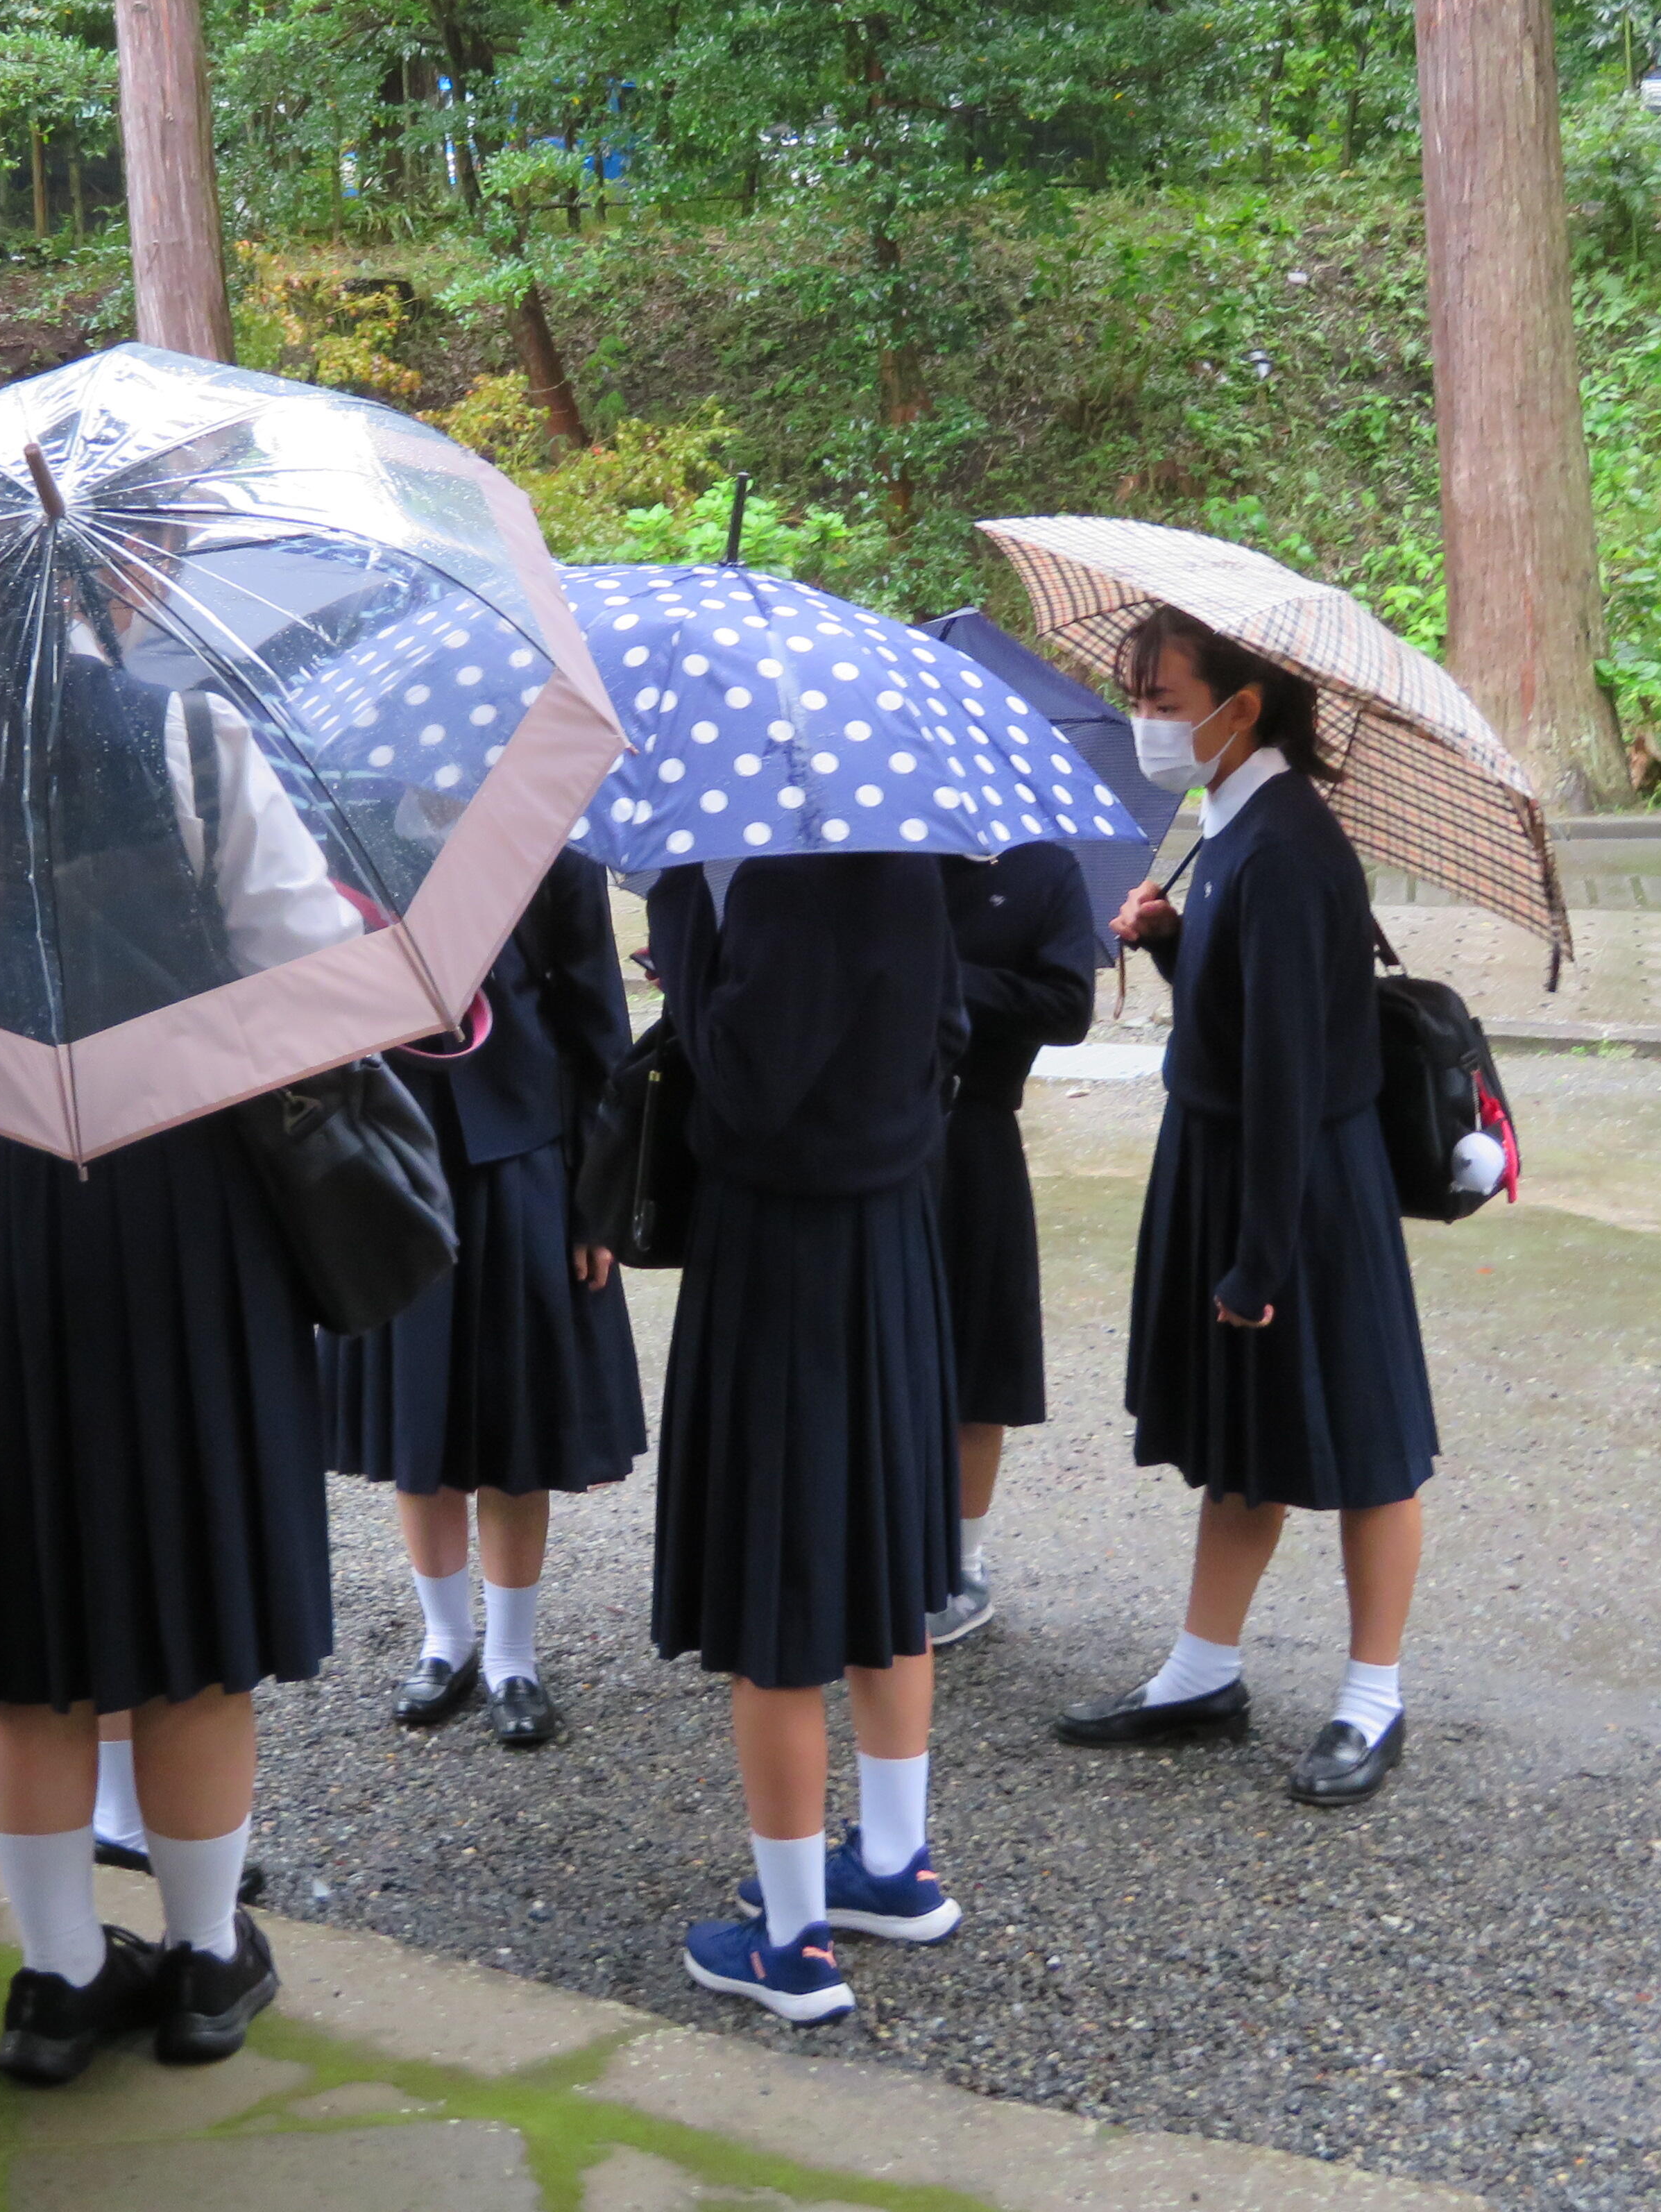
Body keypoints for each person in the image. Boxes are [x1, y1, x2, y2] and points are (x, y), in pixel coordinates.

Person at [0, 547, 357, 2088]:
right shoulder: (191, 737)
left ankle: (59, 1981)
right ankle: (205, 1966)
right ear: (128, 575)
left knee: (27, 1623)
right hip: (183, 1207)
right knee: (190, 1616)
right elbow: (304, 968)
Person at [1052, 605, 1433, 1809]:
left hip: (1297, 1187)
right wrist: (1170, 942)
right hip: (1232, 1165)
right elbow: (1243, 1008)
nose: (1146, 721)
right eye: (1139, 696)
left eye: (1161, 700)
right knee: (1242, 1442)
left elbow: (1282, 1071)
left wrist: (1256, 1262)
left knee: (1365, 1442)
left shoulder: (1285, 848)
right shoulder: (1229, 824)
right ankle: (1199, 1671)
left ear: (1240, 705)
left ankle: (1372, 1695)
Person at [648, 852, 968, 2025]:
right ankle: (893, 1862)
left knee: (774, 1597)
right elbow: (948, 1029)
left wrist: (682, 924)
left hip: (780, 1254)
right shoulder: (904, 861)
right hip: (890, 1234)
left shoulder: (774, 879)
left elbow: (743, 1084)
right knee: (885, 1564)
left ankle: (789, 1941)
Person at [320, 847, 643, 1746]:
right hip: (389, 1156)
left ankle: (512, 1656)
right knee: (420, 1418)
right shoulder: (352, 832)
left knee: (515, 1420)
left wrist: (596, 1205)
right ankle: (445, 1640)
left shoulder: (553, 852)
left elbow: (599, 1032)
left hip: (523, 1159)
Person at [926, 839, 1101, 1647]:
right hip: (869, 1129)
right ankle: (872, 1541)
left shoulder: (1044, 870)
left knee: (977, 1357)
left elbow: (1067, 1008)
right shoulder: (886, 848)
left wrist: (947, 979)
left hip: (977, 1129)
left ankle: (962, 1564)